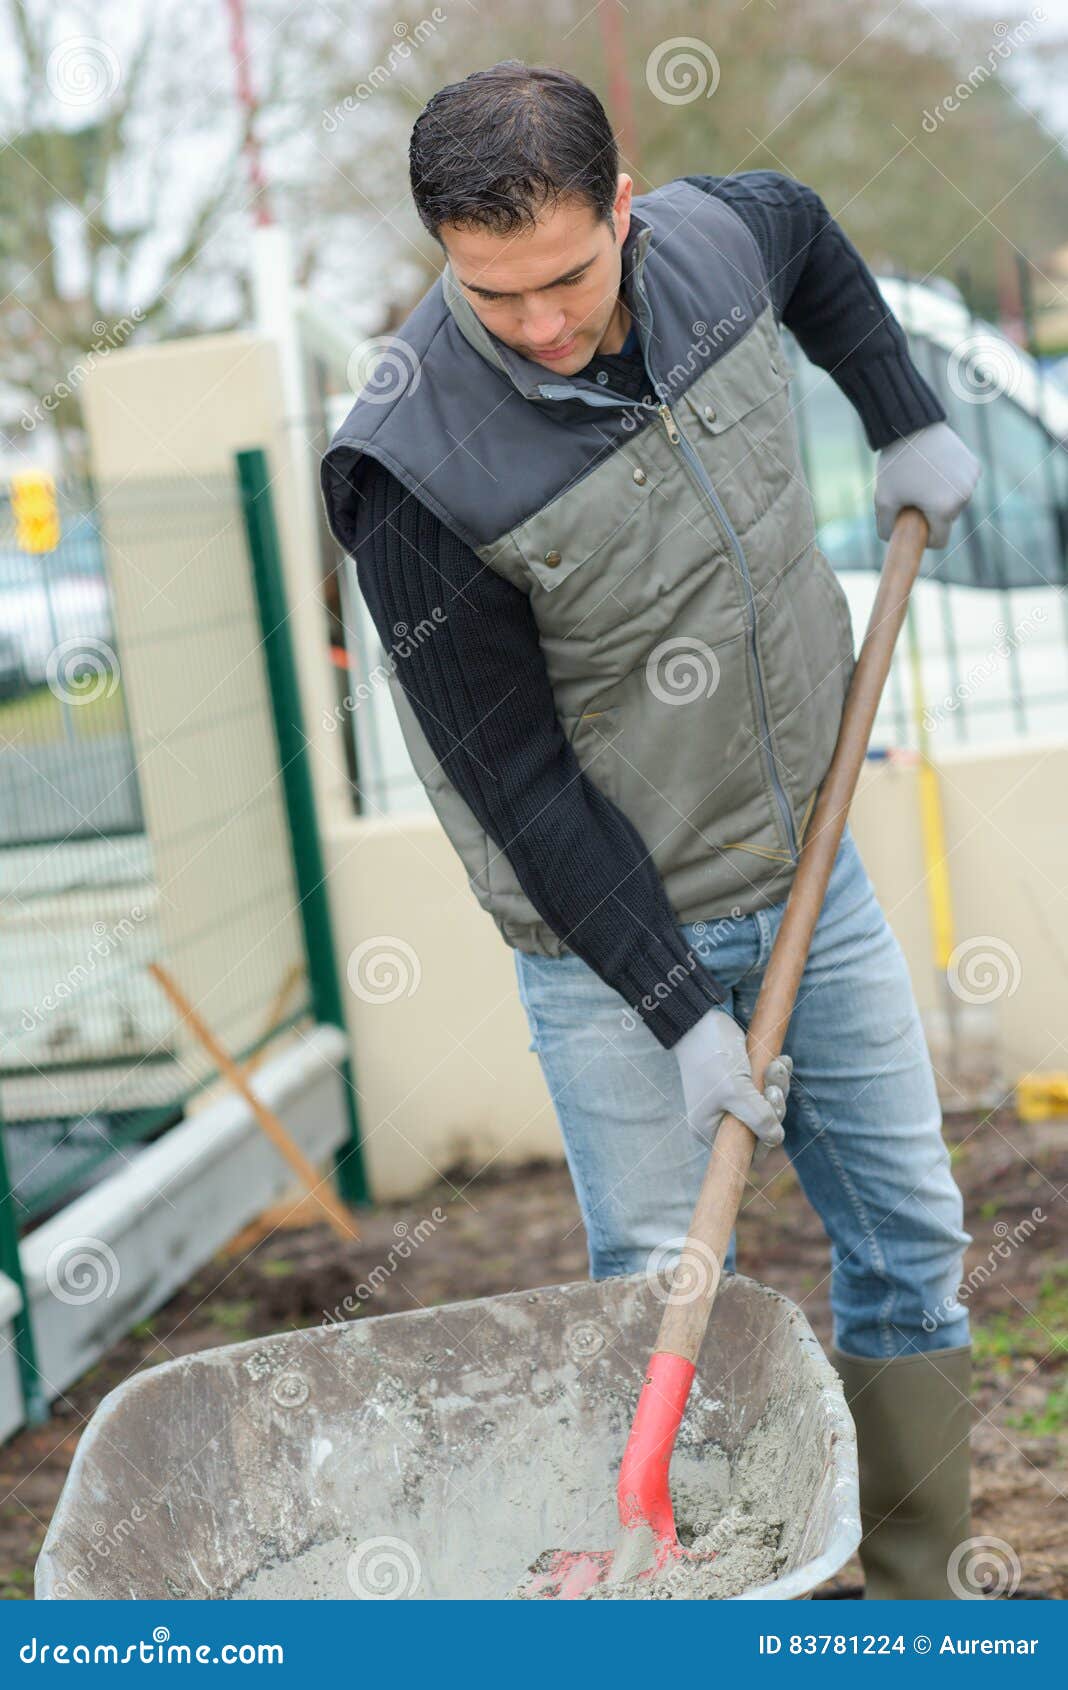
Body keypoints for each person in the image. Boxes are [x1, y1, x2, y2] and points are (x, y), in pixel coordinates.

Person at [320, 61, 982, 1598]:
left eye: (566, 273)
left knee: (914, 1238)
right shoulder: (410, 470)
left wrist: (903, 414)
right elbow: (520, 781)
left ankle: (919, 1588)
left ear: (625, 208)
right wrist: (681, 1008)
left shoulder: (714, 247)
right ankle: (729, 1596)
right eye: (496, 296)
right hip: (607, 951)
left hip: (809, 864)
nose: (542, 323)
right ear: (441, 255)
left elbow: (808, 228)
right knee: (674, 1292)